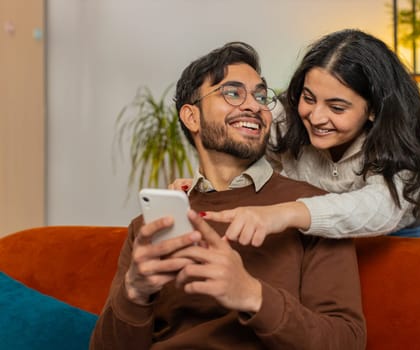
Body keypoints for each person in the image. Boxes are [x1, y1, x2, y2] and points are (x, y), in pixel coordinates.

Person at [90, 41, 366, 350]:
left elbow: (346, 342)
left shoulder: (316, 211)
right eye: (233, 93)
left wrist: (251, 294)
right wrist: (135, 292)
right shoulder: (149, 228)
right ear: (191, 117)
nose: (254, 106)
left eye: (261, 96)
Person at [173, 29, 420, 246]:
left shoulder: (405, 139)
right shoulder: (283, 119)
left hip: (393, 236)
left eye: (337, 107)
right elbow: (240, 153)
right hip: (313, 231)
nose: (316, 118)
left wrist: (286, 213)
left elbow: (379, 208)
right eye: (308, 98)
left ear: (374, 110)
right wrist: (211, 185)